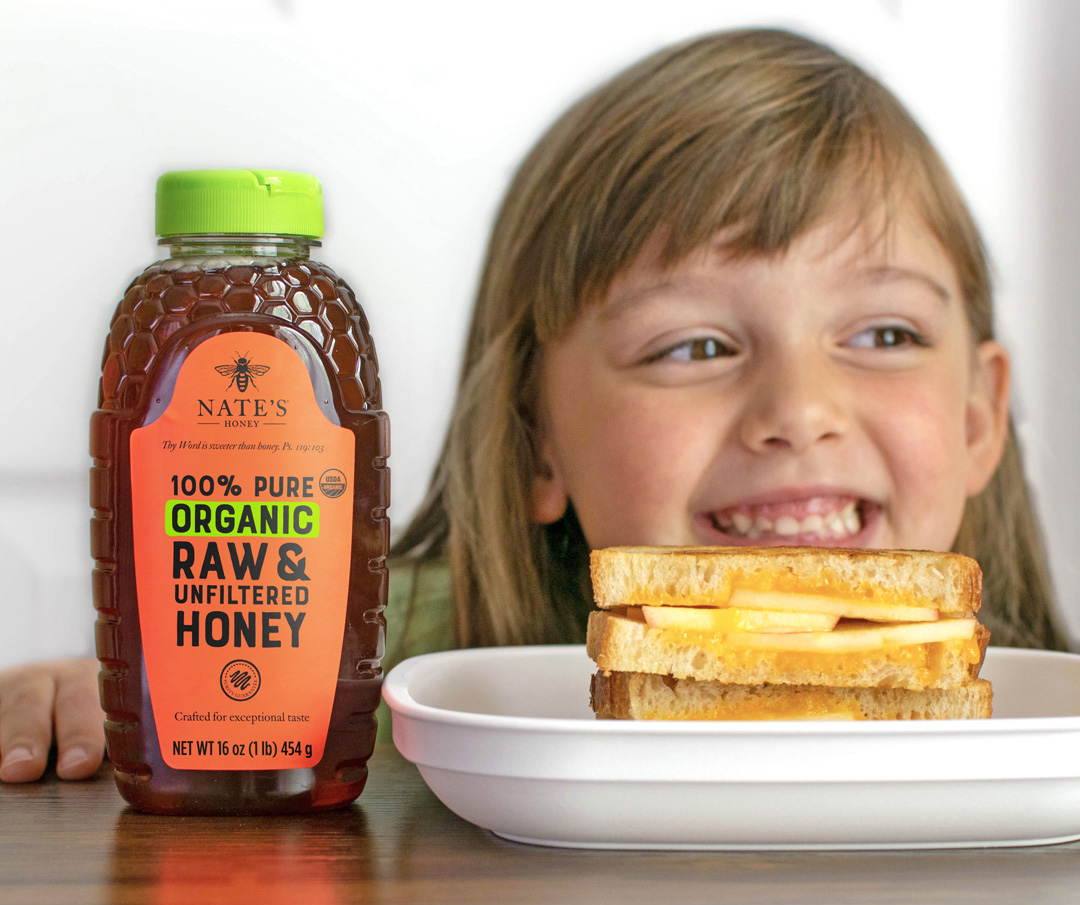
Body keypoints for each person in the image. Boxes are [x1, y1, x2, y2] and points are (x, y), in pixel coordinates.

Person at [0, 27, 1069, 783]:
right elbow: (174, 687)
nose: (800, 410)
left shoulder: (1044, 729)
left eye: (884, 335)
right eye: (694, 345)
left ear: (979, 417)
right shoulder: (377, 670)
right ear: (532, 445)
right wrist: (84, 696)